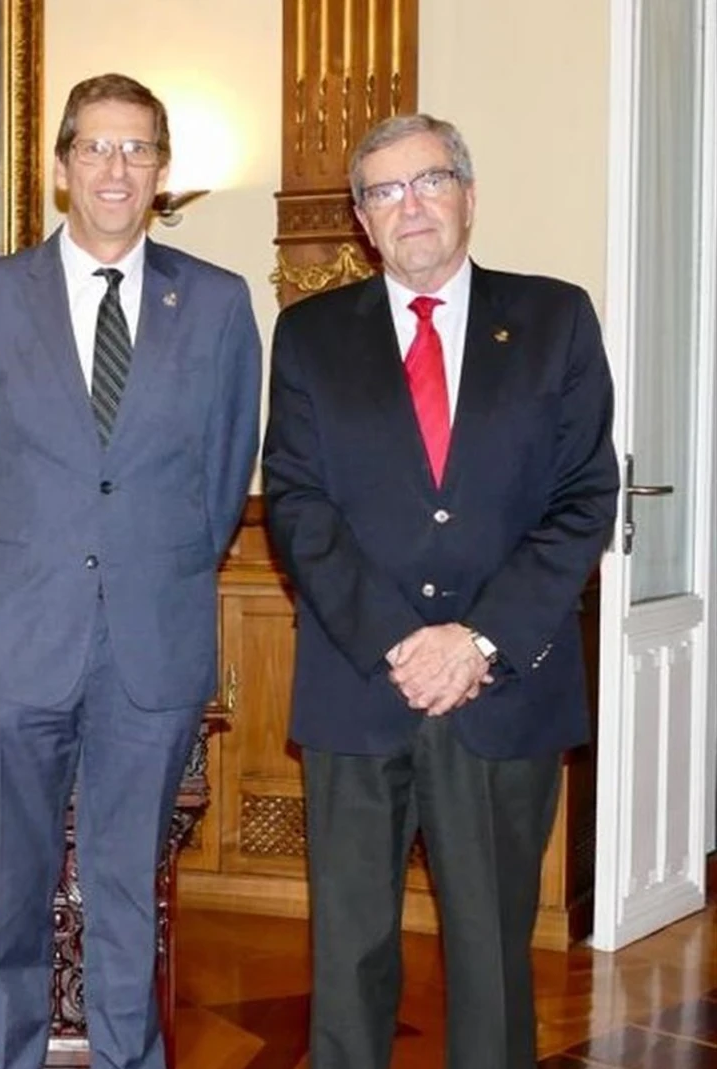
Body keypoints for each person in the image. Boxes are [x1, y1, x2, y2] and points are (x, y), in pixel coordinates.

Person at [261, 113, 618, 1068]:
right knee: (349, 953)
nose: (409, 205)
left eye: (428, 181)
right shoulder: (308, 335)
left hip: (503, 692)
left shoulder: (555, 318)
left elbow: (585, 498)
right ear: (361, 219)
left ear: (467, 192)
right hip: (358, 688)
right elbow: (297, 506)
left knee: (495, 956)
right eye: (384, 191)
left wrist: (477, 640)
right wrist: (399, 642)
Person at [0, 73, 262, 1069]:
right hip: (16, 640)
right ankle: (15, 1055)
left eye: (138, 149)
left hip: (150, 646)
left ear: (161, 171)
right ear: (61, 165)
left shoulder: (214, 301)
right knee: (15, 893)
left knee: (128, 892)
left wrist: (145, 575)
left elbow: (221, 475)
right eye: (97, 149)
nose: (116, 169)